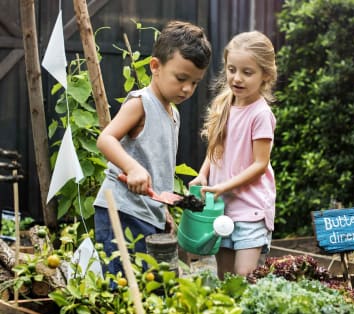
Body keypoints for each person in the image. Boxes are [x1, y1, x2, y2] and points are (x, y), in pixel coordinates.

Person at [93, 20, 211, 276]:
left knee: (149, 287)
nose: (187, 88)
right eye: (181, 78)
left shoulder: (174, 114)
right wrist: (132, 167)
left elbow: (159, 166)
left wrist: (163, 208)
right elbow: (105, 139)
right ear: (155, 66)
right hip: (121, 211)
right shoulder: (141, 103)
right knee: (122, 287)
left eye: (195, 82)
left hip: (149, 214)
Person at [190, 31, 277, 280]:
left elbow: (260, 164)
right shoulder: (225, 103)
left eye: (247, 72)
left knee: (243, 276)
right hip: (222, 207)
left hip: (251, 210)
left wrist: (222, 186)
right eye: (231, 69)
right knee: (225, 277)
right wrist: (203, 175)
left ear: (266, 76)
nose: (237, 78)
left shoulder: (260, 114)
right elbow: (215, 147)